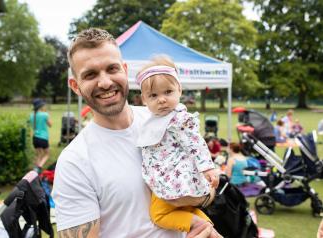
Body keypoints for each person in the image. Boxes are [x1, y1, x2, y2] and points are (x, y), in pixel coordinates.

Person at [52, 28, 219, 238]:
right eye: (91, 74)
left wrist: (198, 198)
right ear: (76, 86)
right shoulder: (74, 162)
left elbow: (209, 182)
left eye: (112, 69)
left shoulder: (165, 121)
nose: (105, 82)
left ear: (124, 70)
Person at [136, 56, 221, 236]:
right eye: (153, 95)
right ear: (144, 99)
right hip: (173, 181)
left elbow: (195, 143)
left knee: (159, 215)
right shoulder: (153, 120)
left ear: (179, 90)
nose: (162, 100)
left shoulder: (179, 119)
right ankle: (208, 227)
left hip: (174, 181)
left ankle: (200, 226)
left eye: (168, 92)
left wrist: (207, 168)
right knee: (186, 211)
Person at [29, 98, 52, 172]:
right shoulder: (45, 114)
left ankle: (36, 171)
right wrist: (48, 115)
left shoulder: (31, 115)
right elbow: (50, 125)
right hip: (43, 138)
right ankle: (39, 167)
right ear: (40, 106)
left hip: (35, 138)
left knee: (39, 155)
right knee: (47, 154)